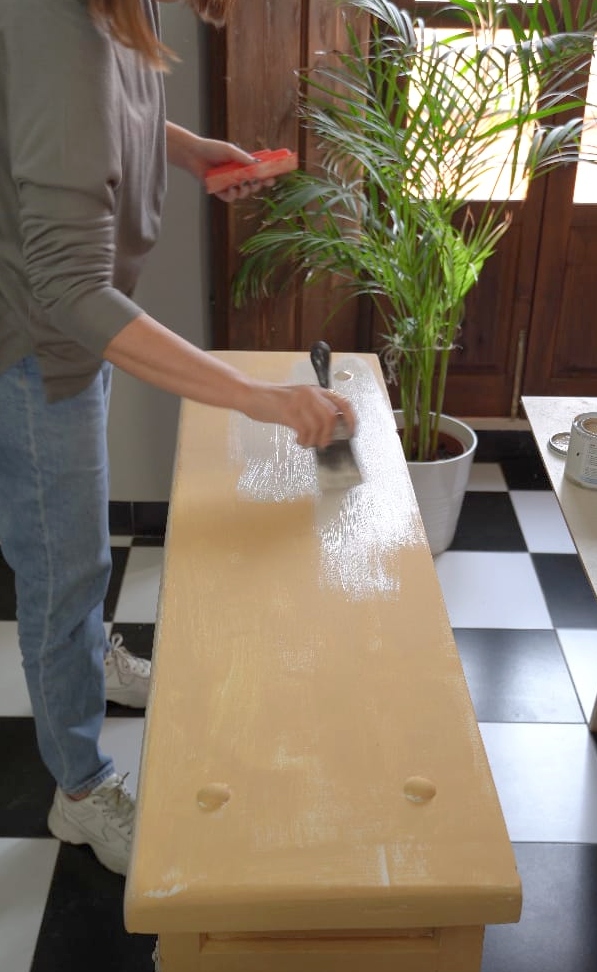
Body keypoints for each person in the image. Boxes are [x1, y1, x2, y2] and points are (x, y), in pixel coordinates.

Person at [0, 0, 355, 877]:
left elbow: (89, 109)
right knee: (62, 567)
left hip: (74, 326)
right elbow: (70, 291)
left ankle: (93, 658)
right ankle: (79, 789)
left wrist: (188, 149)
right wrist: (254, 398)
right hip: (36, 341)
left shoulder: (116, 7)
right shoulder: (51, 19)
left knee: (77, 547)